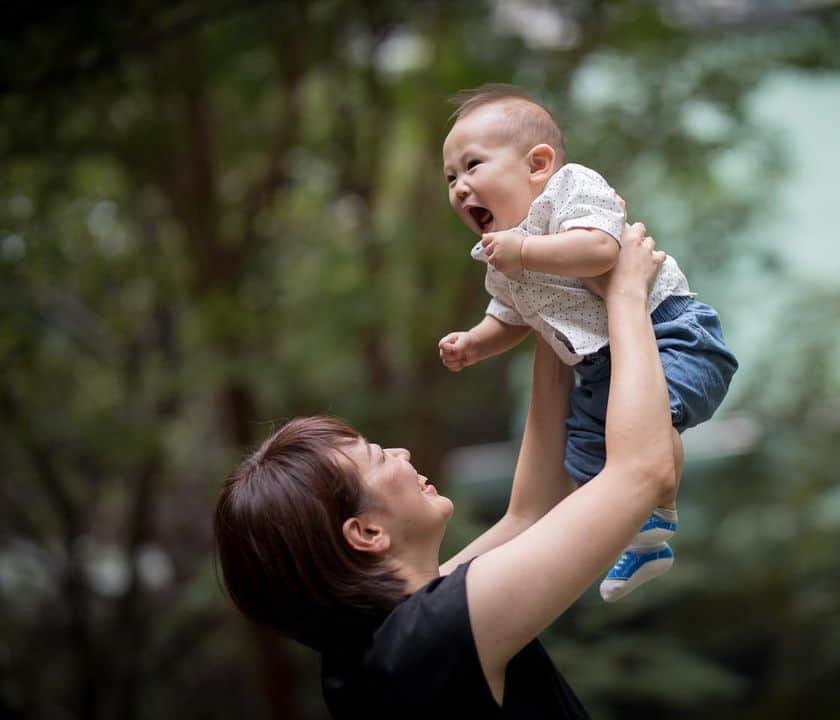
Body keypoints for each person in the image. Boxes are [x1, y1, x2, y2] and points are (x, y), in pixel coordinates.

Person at [215, 222, 678, 717]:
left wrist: (549, 308)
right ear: (366, 532)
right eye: (378, 457)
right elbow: (644, 473)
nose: (403, 456)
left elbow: (530, 515)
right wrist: (625, 293)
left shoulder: (379, 651)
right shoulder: (428, 642)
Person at [438, 83, 738, 601]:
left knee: (647, 422)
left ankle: (660, 509)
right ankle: (645, 540)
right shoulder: (500, 257)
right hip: (602, 366)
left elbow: (602, 251)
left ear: (537, 164)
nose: (461, 187)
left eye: (473, 165)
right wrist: (477, 343)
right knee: (585, 460)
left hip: (671, 334)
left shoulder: (568, 190)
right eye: (450, 178)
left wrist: (526, 249)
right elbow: (511, 318)